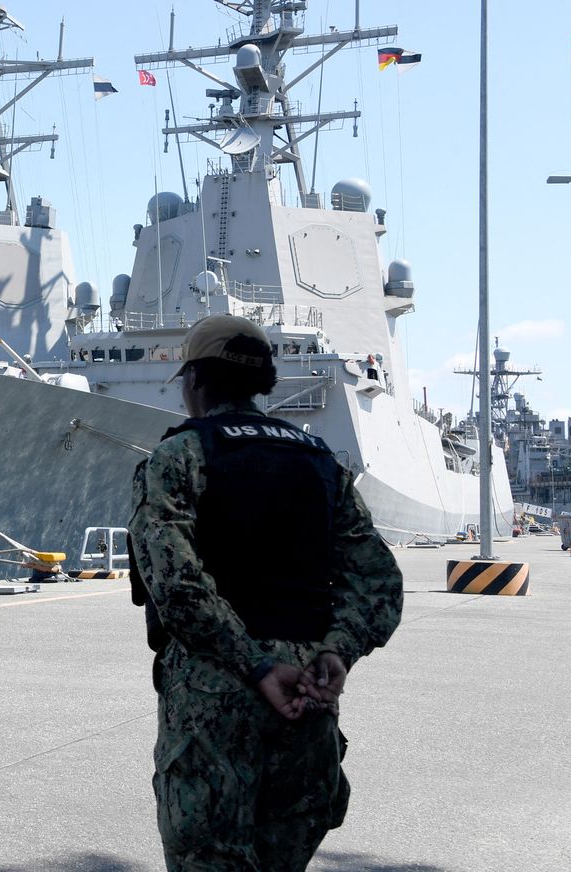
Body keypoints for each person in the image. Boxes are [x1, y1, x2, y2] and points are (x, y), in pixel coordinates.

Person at [127, 314, 403, 871]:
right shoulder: (321, 462)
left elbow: (176, 585)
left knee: (211, 858)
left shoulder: (180, 456)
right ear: (263, 382)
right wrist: (335, 651)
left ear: (196, 380)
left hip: (215, 691)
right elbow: (379, 580)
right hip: (309, 692)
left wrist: (254, 665)